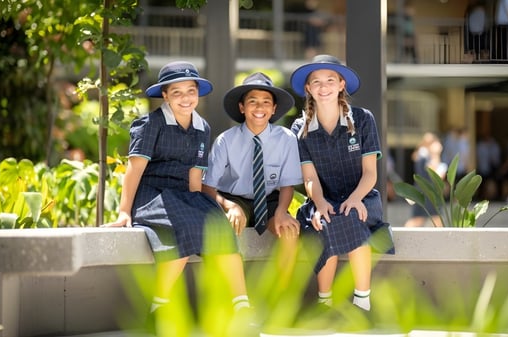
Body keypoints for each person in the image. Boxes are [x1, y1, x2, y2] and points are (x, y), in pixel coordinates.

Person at [102, 61, 251, 330]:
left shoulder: (202, 128)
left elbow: (195, 178)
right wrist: (124, 212)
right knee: (182, 228)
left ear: (198, 93)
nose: (185, 98)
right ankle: (157, 309)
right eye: (177, 92)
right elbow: (133, 171)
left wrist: (203, 207)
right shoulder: (149, 124)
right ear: (165, 95)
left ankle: (242, 307)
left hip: (182, 193)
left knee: (218, 227)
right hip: (152, 195)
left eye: (190, 91)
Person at [289, 54, 395, 312]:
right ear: (308, 88)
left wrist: (356, 198)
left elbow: (370, 174)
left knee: (350, 218)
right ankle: (325, 303)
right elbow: (309, 177)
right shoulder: (299, 128)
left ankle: (362, 302)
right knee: (321, 223)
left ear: (341, 85)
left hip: (361, 196)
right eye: (316, 82)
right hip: (322, 198)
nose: (323, 87)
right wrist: (320, 202)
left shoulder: (363, 119)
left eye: (329, 80)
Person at [203, 72, 303, 282]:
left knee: (289, 230)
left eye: (266, 102)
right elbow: (207, 186)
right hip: (234, 198)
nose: (259, 108)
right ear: (242, 107)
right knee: (225, 229)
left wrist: (282, 212)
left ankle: (280, 295)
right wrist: (229, 205)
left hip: (269, 200)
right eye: (253, 102)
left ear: (274, 108)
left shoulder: (286, 139)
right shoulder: (225, 141)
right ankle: (235, 296)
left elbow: (287, 185)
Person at [404, 132, 447, 228]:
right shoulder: (423, 155)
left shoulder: (423, 155)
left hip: (427, 193)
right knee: (420, 219)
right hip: (426, 193)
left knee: (431, 219)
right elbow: (434, 174)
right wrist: (436, 155)